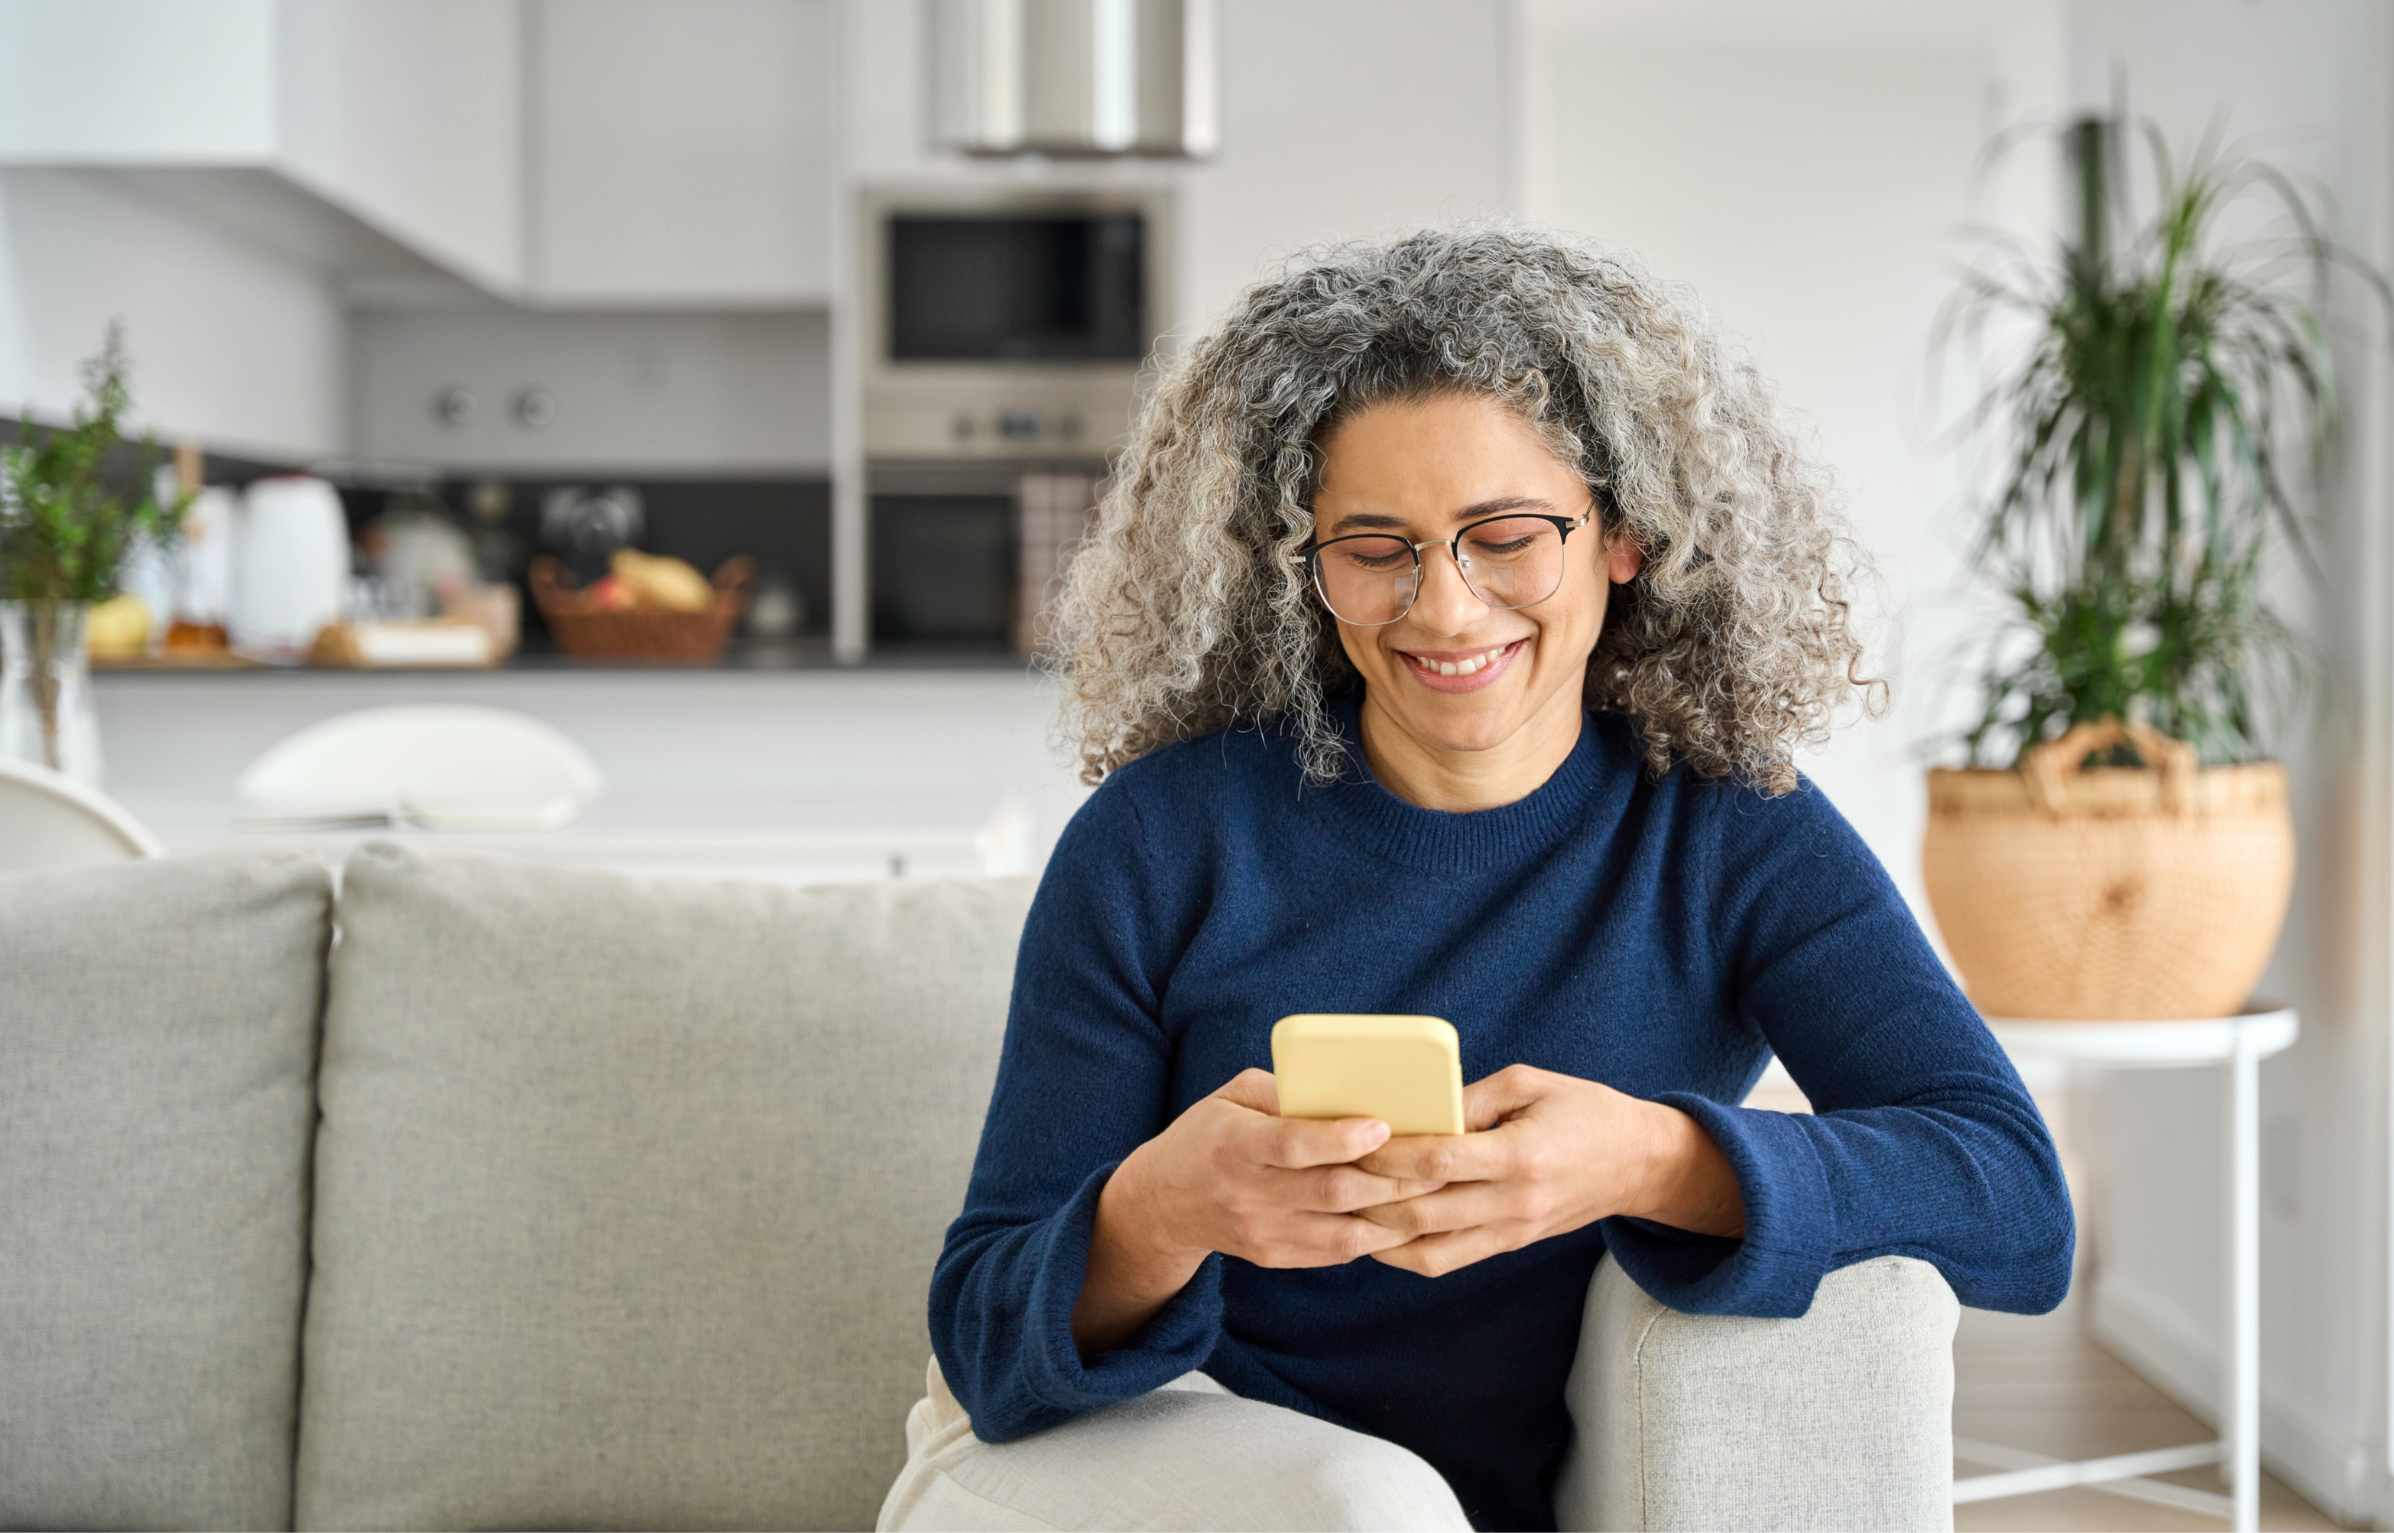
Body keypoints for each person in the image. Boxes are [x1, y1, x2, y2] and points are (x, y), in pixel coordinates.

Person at [877, 221, 2075, 1533]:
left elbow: (2011, 1203)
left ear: (1625, 537)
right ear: (1303, 567)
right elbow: (990, 1347)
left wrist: (1653, 1158)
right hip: (1110, 1458)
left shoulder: (1728, 834)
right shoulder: (1163, 838)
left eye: (1504, 535)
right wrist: (1168, 1203)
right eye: (1374, 547)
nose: (1443, 609)